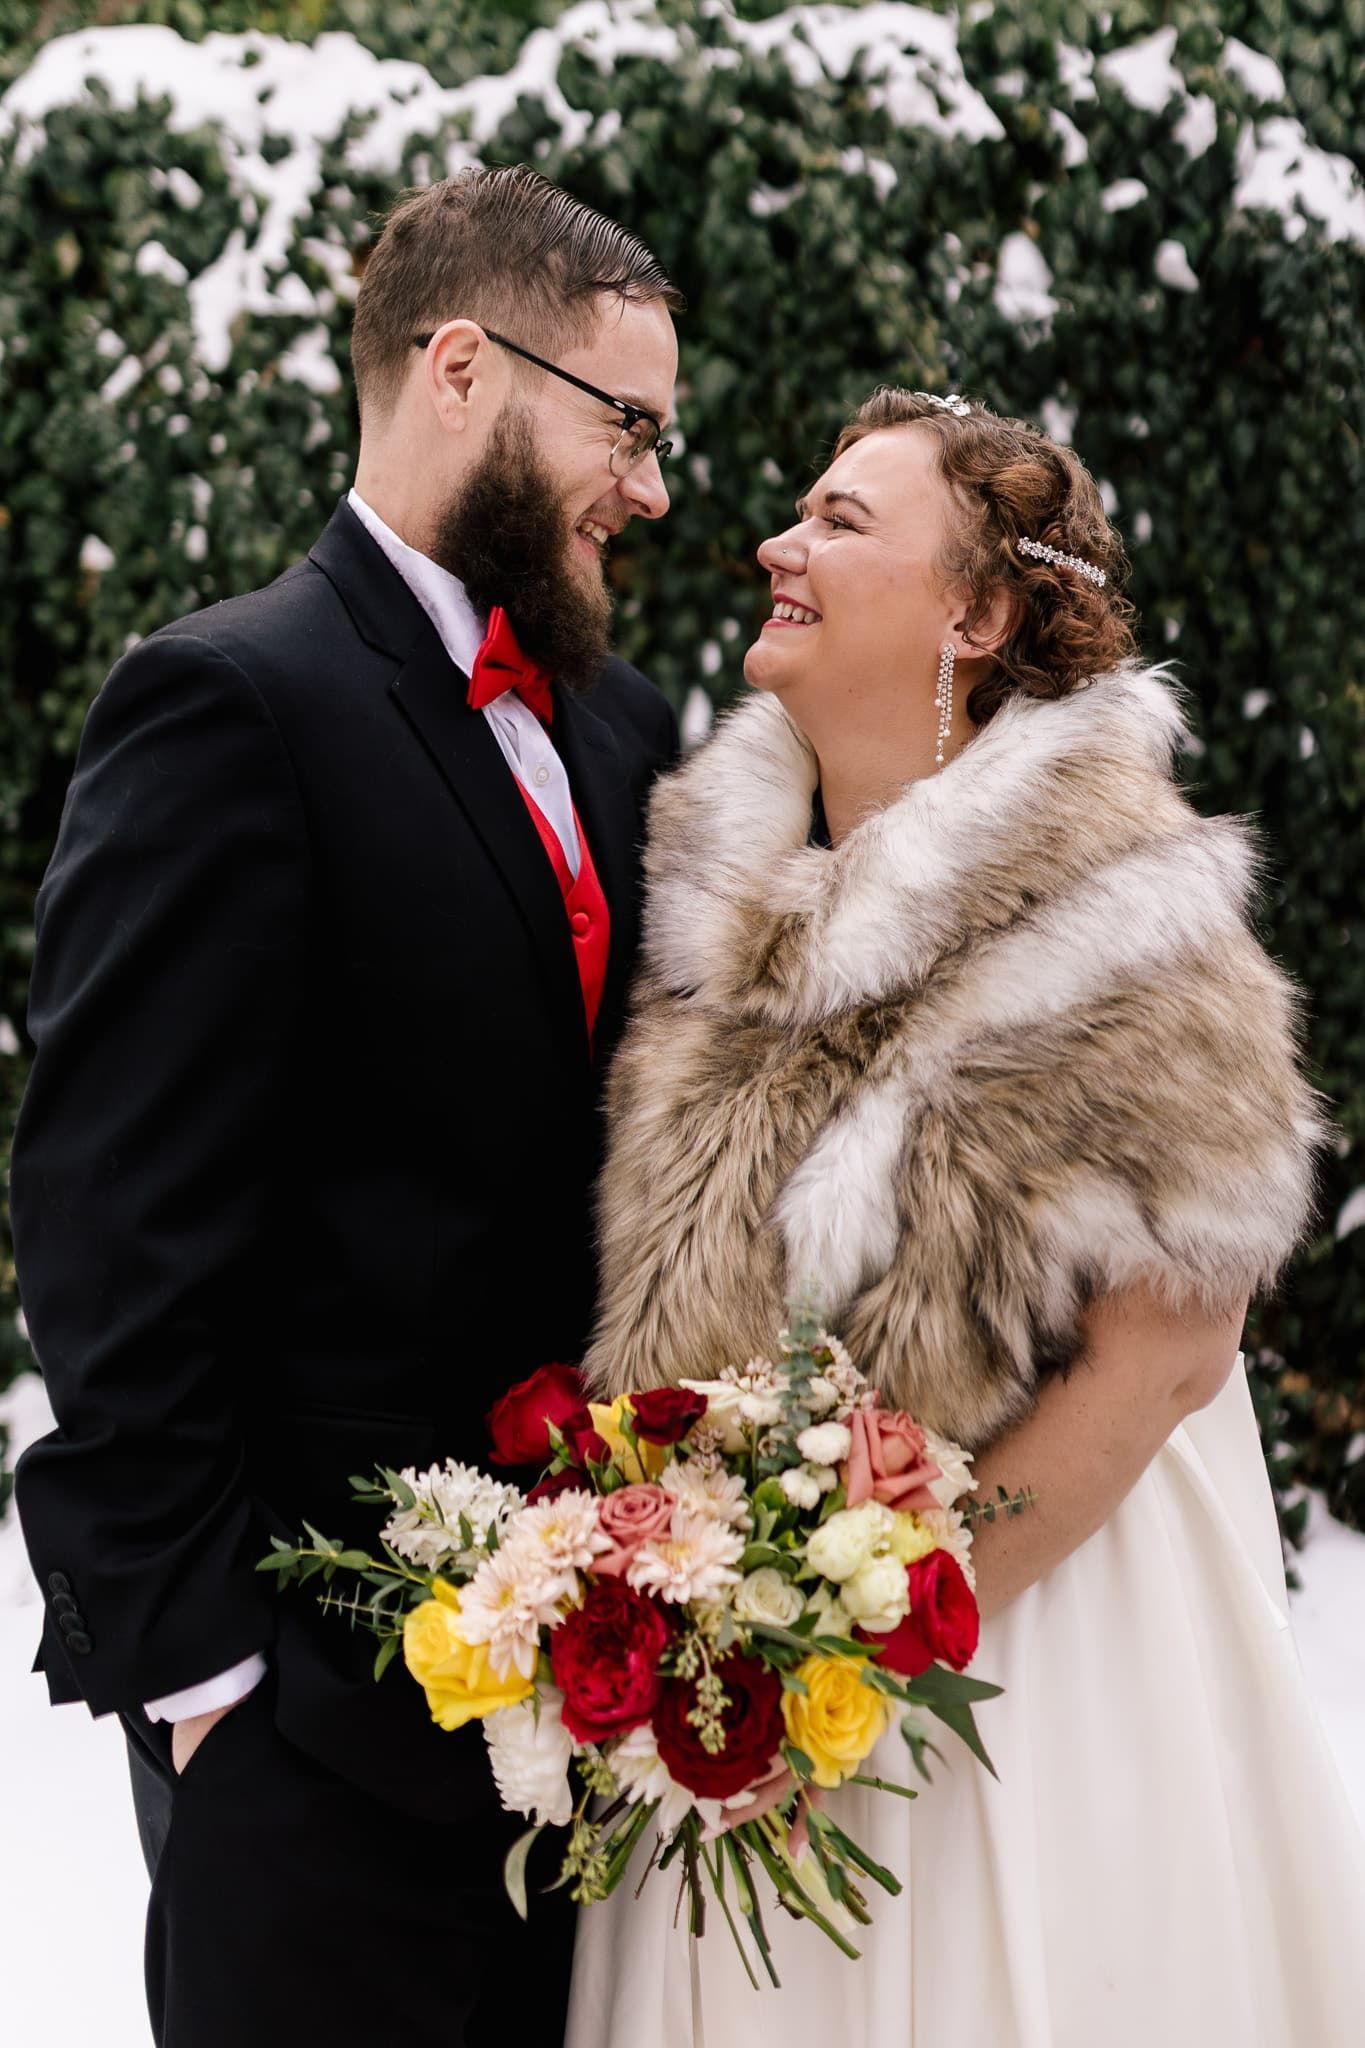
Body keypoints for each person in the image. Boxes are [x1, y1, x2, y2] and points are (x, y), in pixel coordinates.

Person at [566, 389, 1365, 2045]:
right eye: (800, 512)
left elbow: (1167, 1353)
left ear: (979, 612)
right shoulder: (712, 882)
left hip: (1032, 1657)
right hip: (739, 1695)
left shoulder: (1121, 902)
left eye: (842, 522)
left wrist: (853, 1646)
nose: (778, 545)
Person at [10, 165, 681, 2048]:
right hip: (312, 1730)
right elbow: (108, 1226)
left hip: (598, 1711)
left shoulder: (619, 727)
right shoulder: (225, 702)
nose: (649, 485)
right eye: (624, 426)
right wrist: (213, 1681)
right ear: (462, 366)